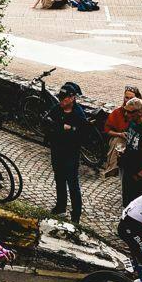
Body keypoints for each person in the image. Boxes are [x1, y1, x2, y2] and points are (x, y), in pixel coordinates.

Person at [46, 80, 89, 222]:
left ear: (72, 98)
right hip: (57, 150)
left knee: (72, 184)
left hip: (71, 154)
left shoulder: (78, 114)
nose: (61, 101)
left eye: (64, 99)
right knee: (59, 180)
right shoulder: (57, 109)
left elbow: (83, 135)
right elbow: (47, 123)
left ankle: (76, 214)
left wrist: (70, 130)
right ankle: (60, 206)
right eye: (60, 98)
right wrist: (62, 128)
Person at [101, 86, 140, 176]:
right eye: (126, 97)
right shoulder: (117, 112)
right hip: (121, 141)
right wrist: (119, 134)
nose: (128, 100)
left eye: (131, 98)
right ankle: (113, 167)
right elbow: (107, 130)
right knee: (117, 141)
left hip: (136, 143)